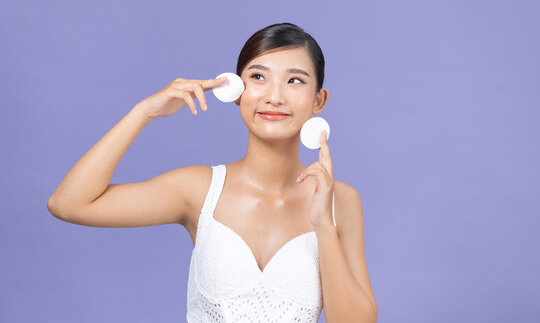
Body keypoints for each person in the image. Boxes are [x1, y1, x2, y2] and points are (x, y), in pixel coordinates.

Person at [47, 22, 377, 322]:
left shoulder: (340, 202)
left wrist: (322, 224)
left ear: (319, 100)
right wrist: (143, 112)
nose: (274, 96)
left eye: (294, 81)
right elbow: (69, 204)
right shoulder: (199, 189)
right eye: (258, 77)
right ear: (234, 91)